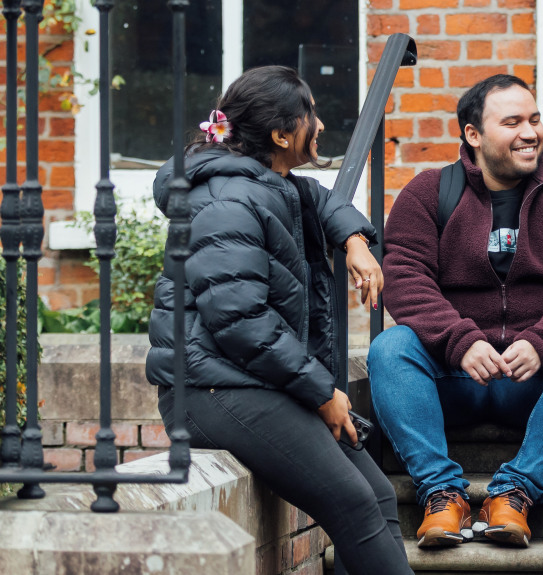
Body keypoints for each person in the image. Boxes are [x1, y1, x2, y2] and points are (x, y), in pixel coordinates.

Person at [144, 66, 409, 574]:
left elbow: (321, 199)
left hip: (254, 381)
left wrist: (354, 242)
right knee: (352, 503)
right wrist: (322, 392)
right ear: (280, 135)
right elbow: (241, 321)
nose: (321, 123)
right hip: (209, 391)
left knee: (376, 494)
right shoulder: (228, 201)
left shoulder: (272, 183)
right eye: (309, 113)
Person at [368, 74, 543, 549]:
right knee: (389, 349)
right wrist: (459, 341)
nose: (531, 132)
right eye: (513, 122)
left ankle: (515, 492)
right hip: (453, 379)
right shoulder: (428, 193)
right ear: (473, 135)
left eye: (535, 119)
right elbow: (404, 276)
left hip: (537, 383)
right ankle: (442, 494)